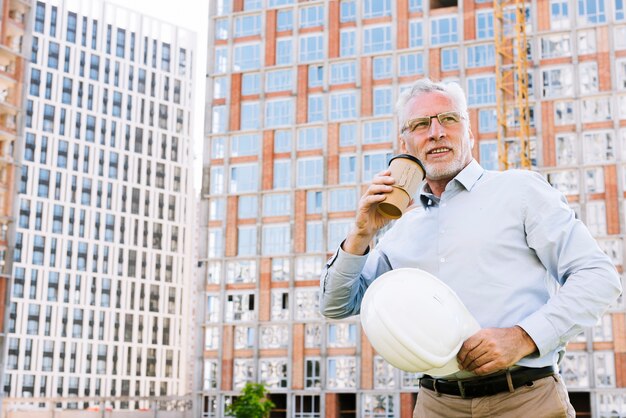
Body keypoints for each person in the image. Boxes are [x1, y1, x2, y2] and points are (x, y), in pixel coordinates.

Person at [319, 78, 622, 417]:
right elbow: (335, 306)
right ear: (404, 143)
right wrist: (361, 234)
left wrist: (524, 337)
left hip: (525, 400)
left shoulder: (520, 191)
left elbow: (598, 278)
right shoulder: (399, 230)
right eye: (420, 125)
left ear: (469, 132)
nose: (436, 132)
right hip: (436, 404)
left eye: (448, 119)